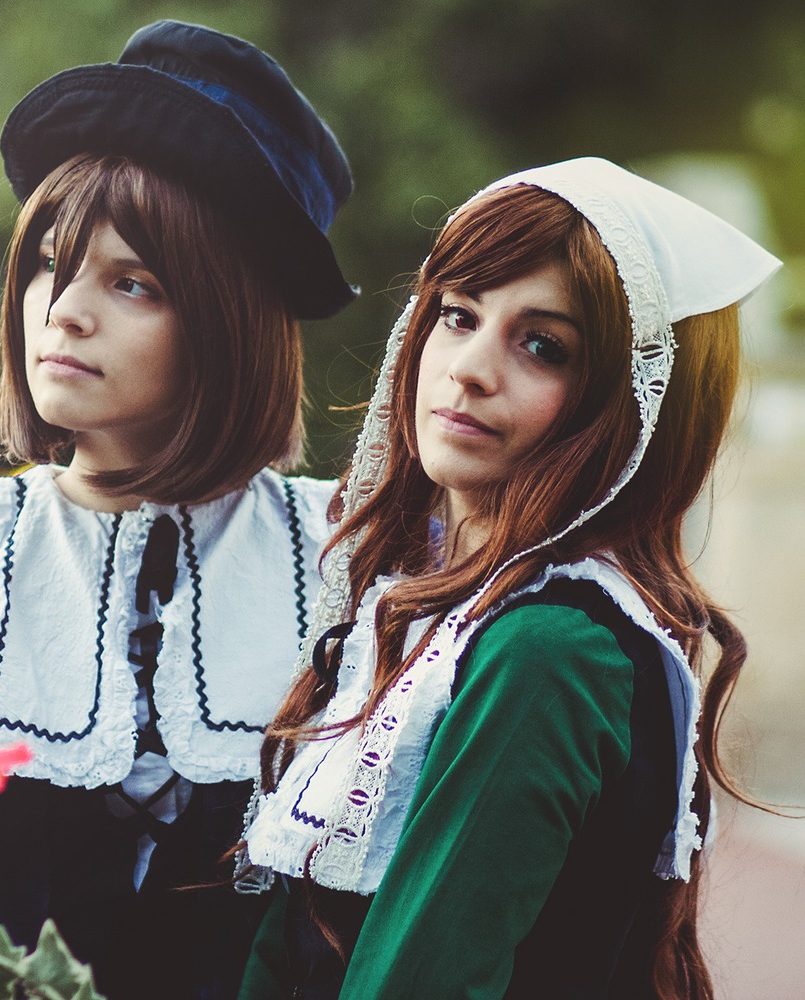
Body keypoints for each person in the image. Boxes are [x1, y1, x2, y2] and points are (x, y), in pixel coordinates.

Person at [0, 20, 356, 1000]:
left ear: (229, 320)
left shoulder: (347, 577)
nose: (64, 309)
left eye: (133, 282)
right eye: (46, 261)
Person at [238, 157, 781, 1000]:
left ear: (633, 407)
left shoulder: (551, 647)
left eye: (543, 346)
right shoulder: (437, 608)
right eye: (457, 315)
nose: (470, 368)